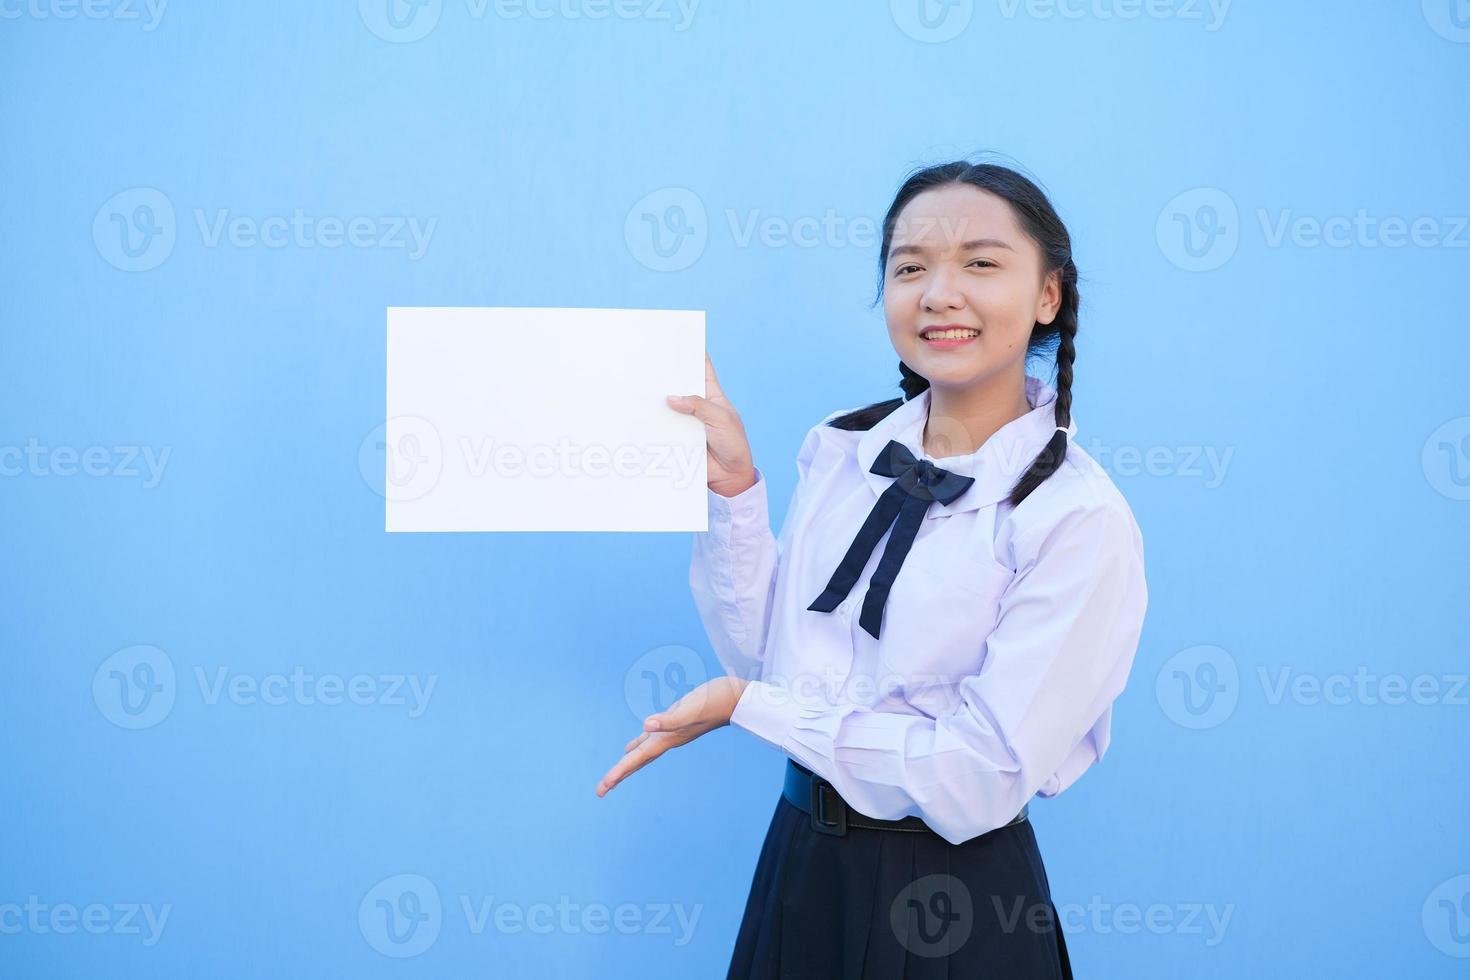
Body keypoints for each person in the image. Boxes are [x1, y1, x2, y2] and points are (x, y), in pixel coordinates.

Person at [596, 159, 1148, 978]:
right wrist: (736, 494)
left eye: (981, 263)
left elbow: (976, 779)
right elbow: (769, 667)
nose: (939, 293)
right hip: (799, 868)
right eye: (910, 266)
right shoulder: (843, 449)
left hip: (952, 899)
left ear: (1048, 296)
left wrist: (755, 709)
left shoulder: (1076, 517)